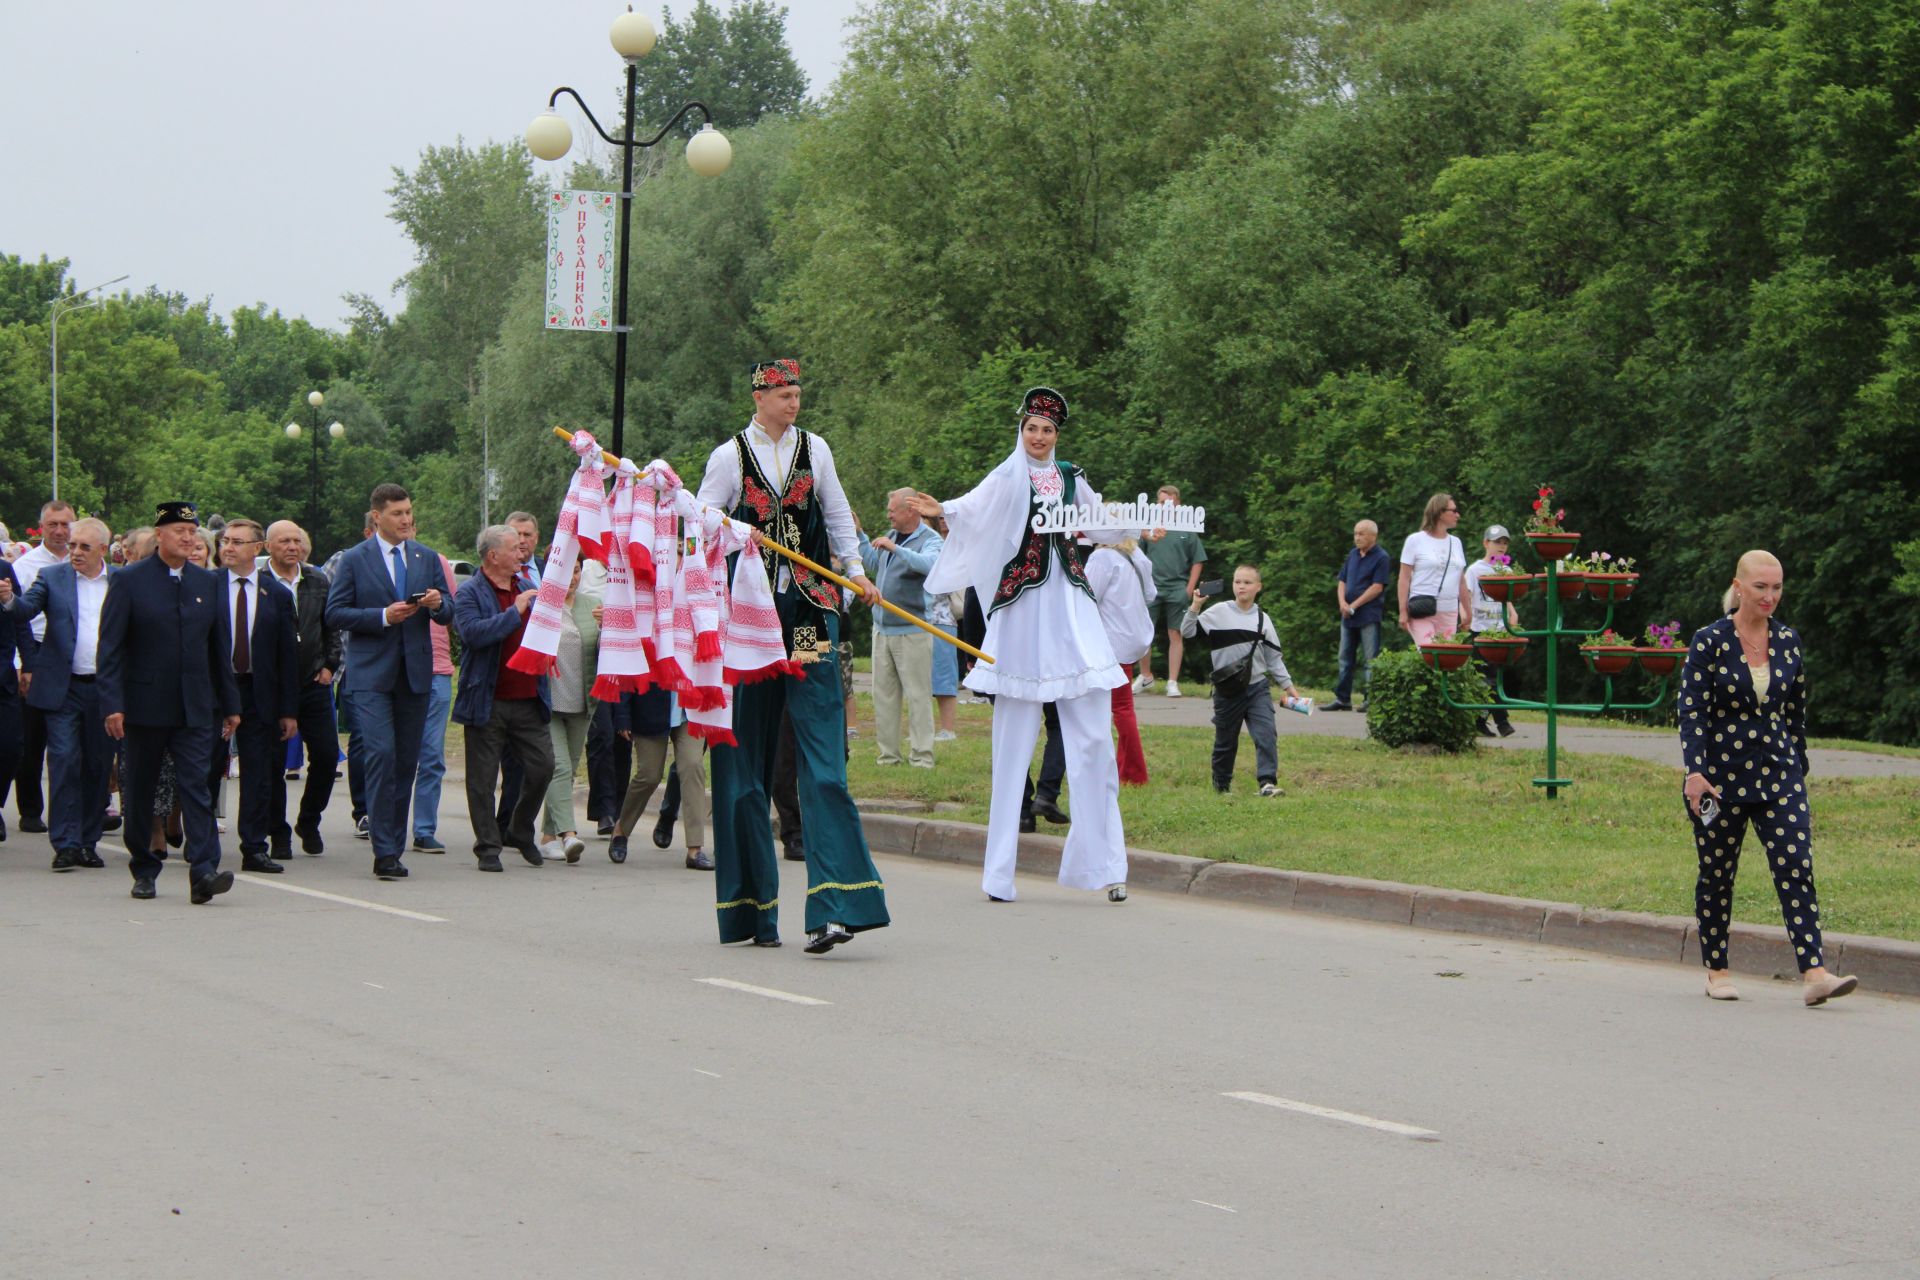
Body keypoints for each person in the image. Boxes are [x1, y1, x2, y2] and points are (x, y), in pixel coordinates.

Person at [696, 357, 889, 952]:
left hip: (809, 613)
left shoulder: (816, 448)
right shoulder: (729, 457)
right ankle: (752, 910)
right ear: (759, 397)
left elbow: (836, 516)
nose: (793, 403)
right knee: (742, 761)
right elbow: (700, 524)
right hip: (749, 620)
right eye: (783, 394)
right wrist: (731, 530)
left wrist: (855, 574)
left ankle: (836, 907)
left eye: (797, 393)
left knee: (823, 759)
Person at [914, 386, 1130, 904]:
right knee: (1012, 742)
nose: (1038, 437)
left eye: (1047, 430)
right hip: (1023, 611)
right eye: (1032, 428)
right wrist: (940, 507)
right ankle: (998, 874)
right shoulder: (1008, 476)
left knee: (1095, 739)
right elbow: (973, 507)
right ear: (1022, 430)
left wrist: (1141, 527)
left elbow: (1101, 523)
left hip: (1072, 612)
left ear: (1057, 436)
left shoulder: (1073, 478)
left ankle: (1102, 865)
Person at [1681, 549, 1857, 1006]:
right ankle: (1717, 969)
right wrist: (1695, 772)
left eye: (1777, 587)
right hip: (1720, 778)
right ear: (1739, 586)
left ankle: (1815, 973)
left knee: (1796, 865)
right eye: (1761, 587)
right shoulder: (1709, 641)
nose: (1770, 596)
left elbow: (1796, 711)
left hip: (1779, 774)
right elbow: (1693, 712)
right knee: (1717, 874)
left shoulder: (1789, 641)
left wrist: (1798, 765)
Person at [98, 502, 242, 904]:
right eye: (179, 530)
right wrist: (112, 703)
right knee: (141, 789)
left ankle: (204, 872)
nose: (188, 537)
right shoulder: (130, 581)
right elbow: (111, 648)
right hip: (144, 706)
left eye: (192, 531)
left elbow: (219, 649)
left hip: (196, 705)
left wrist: (230, 705)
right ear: (159, 535)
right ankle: (144, 867)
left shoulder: (208, 583)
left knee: (196, 786)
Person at [324, 484, 453, 881]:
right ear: (377, 516)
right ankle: (383, 849)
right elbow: (335, 613)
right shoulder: (354, 559)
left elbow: (449, 610)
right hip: (371, 675)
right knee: (380, 754)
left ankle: (394, 847)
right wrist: (381, 616)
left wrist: (435, 604)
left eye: (409, 512)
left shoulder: (425, 556)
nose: (406, 519)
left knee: (404, 762)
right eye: (398, 513)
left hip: (415, 674)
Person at [2, 516, 114, 869]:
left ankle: (87, 840)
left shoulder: (121, 581)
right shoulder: (53, 577)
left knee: (97, 765)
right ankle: (65, 843)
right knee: (64, 760)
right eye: (72, 546)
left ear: (103, 550)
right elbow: (26, 609)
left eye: (84, 546)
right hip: (63, 689)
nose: (75, 552)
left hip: (105, 689)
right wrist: (7, 600)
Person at [452, 524, 552, 872]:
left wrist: (548, 658)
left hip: (528, 698)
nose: (521, 552)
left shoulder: (527, 586)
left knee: (543, 768)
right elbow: (473, 634)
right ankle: (488, 847)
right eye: (513, 548)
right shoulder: (469, 592)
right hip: (487, 700)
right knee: (482, 779)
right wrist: (515, 612)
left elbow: (540, 633)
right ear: (492, 556)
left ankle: (520, 830)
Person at [205, 519, 299, 874]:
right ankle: (204, 845)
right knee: (208, 768)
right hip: (216, 691)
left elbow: (287, 655)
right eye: (224, 541)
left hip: (259, 693)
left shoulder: (275, 594)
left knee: (259, 773)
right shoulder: (206, 586)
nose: (227, 547)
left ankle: (255, 847)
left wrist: (288, 710)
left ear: (257, 548)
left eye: (237, 542)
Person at [1182, 565, 1300, 796]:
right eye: (1237, 582)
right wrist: (1195, 606)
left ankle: (1267, 783)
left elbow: (1274, 660)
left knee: (1266, 733)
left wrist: (1290, 689)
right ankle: (1221, 787)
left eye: (1247, 582)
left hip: (1257, 687)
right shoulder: (1217, 612)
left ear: (1258, 587)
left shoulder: (1263, 620)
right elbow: (1187, 632)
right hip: (1227, 690)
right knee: (1226, 742)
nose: (1241, 586)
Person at [263, 521, 341, 854]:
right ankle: (277, 832)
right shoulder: (260, 583)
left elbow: (332, 626)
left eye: (297, 540)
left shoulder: (317, 580)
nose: (292, 546)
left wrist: (330, 666)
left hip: (314, 683)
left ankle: (309, 820)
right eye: (284, 541)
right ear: (268, 546)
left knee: (325, 756)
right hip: (274, 687)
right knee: (273, 763)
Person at [858, 488, 945, 768]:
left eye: (892, 511)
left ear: (911, 511)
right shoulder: (891, 535)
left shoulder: (930, 540)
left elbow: (929, 565)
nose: (889, 516)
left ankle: (922, 756)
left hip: (913, 629)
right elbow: (872, 563)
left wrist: (895, 548)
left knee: (918, 695)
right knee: (883, 696)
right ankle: (888, 756)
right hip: (882, 629)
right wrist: (860, 535)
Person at [11, 499, 75, 835]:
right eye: (53, 525)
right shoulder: (27, 566)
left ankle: (74, 809)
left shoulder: (86, 560)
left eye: (66, 524)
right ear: (42, 527)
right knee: (33, 737)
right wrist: (24, 665)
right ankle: (31, 809)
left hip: (75, 653)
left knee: (70, 741)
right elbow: (19, 620)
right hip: (37, 651)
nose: (61, 531)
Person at [607, 687, 710, 870]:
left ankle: (695, 849)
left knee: (693, 767)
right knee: (649, 776)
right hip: (649, 709)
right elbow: (627, 672)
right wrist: (622, 715)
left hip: (692, 710)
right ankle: (621, 829)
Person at [539, 557, 600, 864]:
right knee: (558, 767)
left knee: (567, 770)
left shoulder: (594, 604)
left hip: (582, 702)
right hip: (549, 703)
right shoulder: (541, 603)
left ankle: (548, 837)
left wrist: (608, 627)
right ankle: (568, 834)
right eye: (566, 570)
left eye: (576, 571)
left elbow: (607, 651)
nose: (572, 577)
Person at [1085, 533, 1157, 786]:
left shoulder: (1101, 557)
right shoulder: (1137, 555)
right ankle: (1125, 767)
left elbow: (1087, 597)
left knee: (1120, 708)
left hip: (1111, 641)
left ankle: (1134, 772)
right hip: (1134, 637)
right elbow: (1151, 594)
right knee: (1121, 706)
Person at [411, 546, 459, 854]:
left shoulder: (435, 561)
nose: (406, 526)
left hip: (437, 671)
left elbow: (451, 610)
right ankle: (383, 823)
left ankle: (424, 829)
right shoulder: (374, 564)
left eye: (410, 520)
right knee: (393, 754)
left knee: (431, 755)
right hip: (397, 671)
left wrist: (438, 604)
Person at [1136, 485, 1206, 698]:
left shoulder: (1187, 528)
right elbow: (1137, 555)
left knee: (1175, 633)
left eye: (1170, 502)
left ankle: (1172, 682)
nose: (1165, 506)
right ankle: (1145, 676)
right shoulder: (1149, 527)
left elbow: (1198, 560)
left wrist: (1189, 587)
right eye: (1161, 502)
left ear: (1178, 503)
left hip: (1178, 587)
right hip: (1152, 588)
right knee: (1144, 633)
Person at [1463, 524, 1520, 737]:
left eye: (1505, 543)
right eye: (1497, 542)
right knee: (1488, 678)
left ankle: (1478, 720)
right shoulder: (1475, 570)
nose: (1501, 547)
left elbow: (1509, 603)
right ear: (1486, 543)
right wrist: (1465, 617)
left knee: (1495, 679)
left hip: (1501, 631)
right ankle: (1502, 722)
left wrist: (1513, 616)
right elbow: (1467, 597)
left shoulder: (1506, 571)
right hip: (1481, 630)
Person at [1330, 519, 1389, 711]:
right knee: (1345, 657)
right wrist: (1342, 603)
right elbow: (1342, 580)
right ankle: (1343, 699)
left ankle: (1370, 700)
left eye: (1361, 534)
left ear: (1373, 535)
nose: (1357, 537)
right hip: (1348, 615)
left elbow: (1377, 587)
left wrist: (1353, 605)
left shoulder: (1381, 557)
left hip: (1368, 615)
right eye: (1355, 533)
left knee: (1370, 659)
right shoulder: (1353, 555)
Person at [1398, 493, 1471, 645]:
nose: (1458, 515)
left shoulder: (1456, 542)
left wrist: (1468, 613)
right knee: (1429, 652)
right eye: (1453, 510)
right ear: (1439, 512)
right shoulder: (1415, 540)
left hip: (1449, 611)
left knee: (1446, 659)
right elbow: (1404, 578)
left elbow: (1461, 582)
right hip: (1422, 608)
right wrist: (1403, 612)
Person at [0, 556, 20, 845]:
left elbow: (19, 619)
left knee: (9, 746)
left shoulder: (3, 570)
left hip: (2, 674)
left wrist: (8, 599)